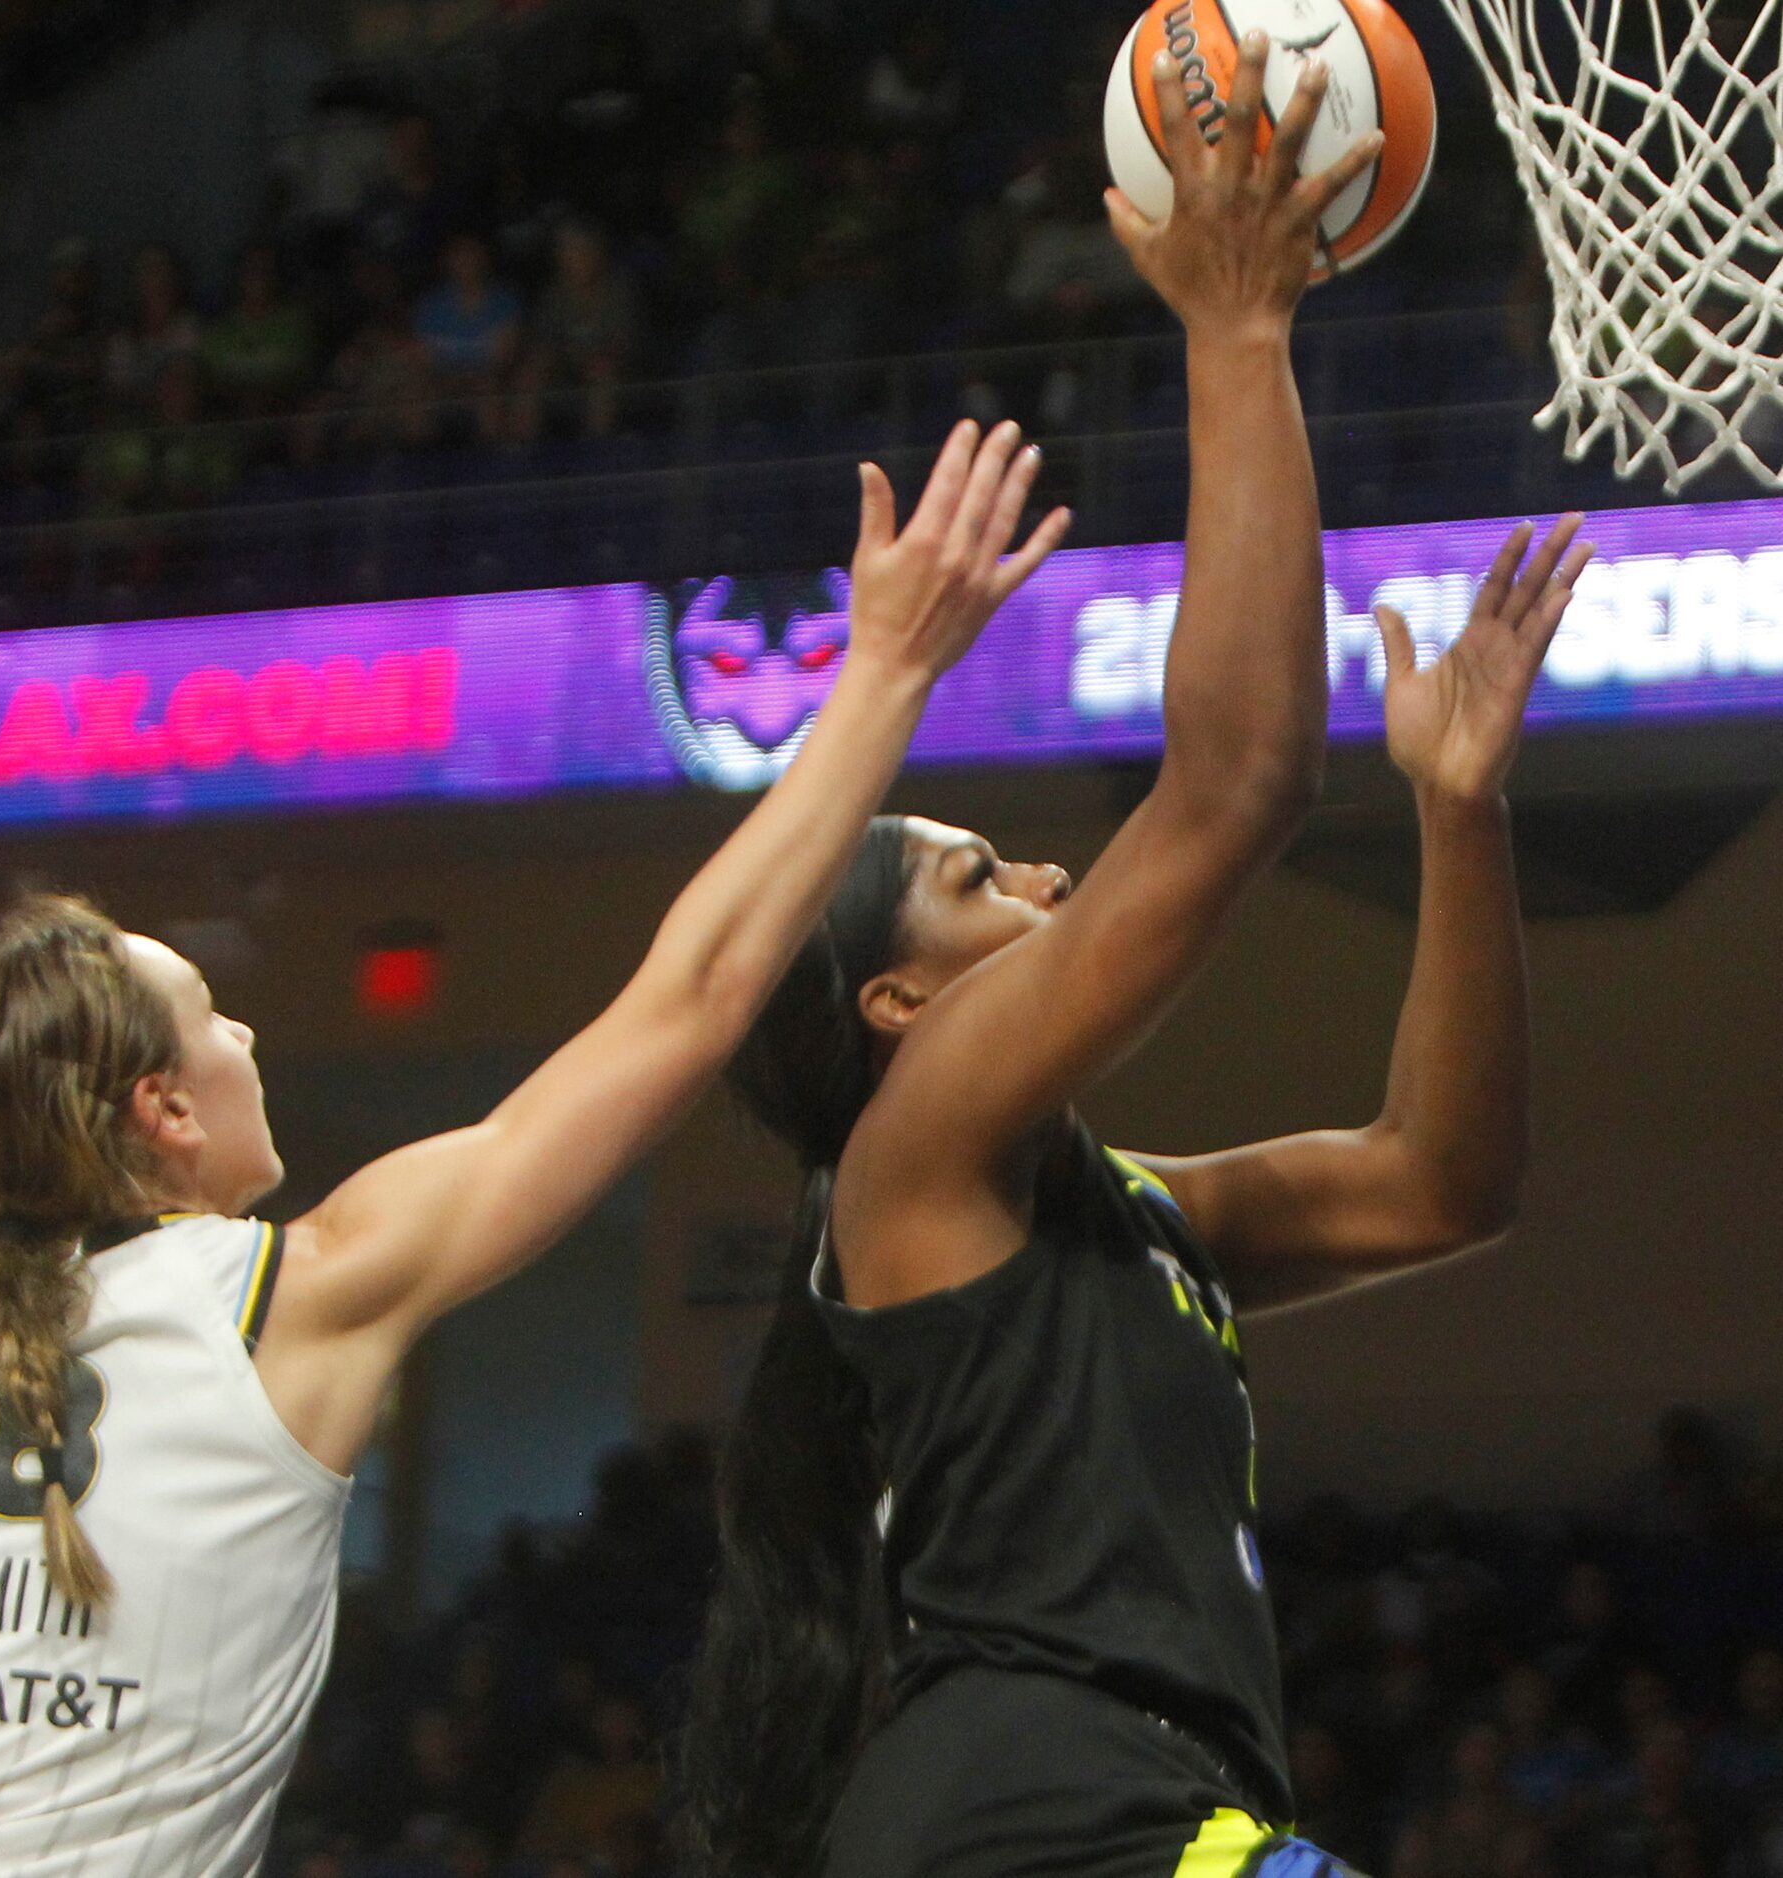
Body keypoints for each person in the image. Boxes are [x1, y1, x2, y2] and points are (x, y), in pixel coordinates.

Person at [0, 414, 1072, 1875]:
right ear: (164, 1112)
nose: (251, 1036)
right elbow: (692, 1000)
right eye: (216, 1015)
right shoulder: (305, 1291)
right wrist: (880, 670)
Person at [676, 40, 1597, 1878]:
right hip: (1049, 1820)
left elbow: (1442, 1181)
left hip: (1120, 1818)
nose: (1024, 863)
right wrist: (1236, 329)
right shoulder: (905, 1156)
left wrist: (1457, 814)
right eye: (961, 876)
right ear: (899, 1006)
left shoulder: (1122, 1216)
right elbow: (1238, 782)